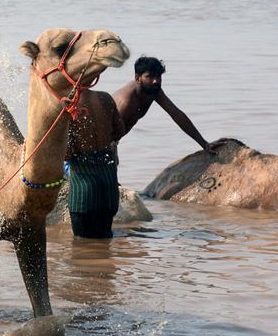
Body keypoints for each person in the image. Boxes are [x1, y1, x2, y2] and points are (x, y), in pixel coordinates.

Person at [112, 56, 223, 153]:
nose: (156, 81)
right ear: (138, 78)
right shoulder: (126, 102)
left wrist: (204, 144)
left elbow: (176, 114)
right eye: (150, 77)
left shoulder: (153, 91)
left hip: (112, 143)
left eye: (158, 76)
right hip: (102, 142)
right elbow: (105, 133)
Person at [64, 90, 126, 238]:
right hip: (108, 189)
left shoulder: (69, 104)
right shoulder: (106, 98)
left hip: (84, 195)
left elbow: (66, 153)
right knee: (105, 240)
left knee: (82, 246)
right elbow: (120, 130)